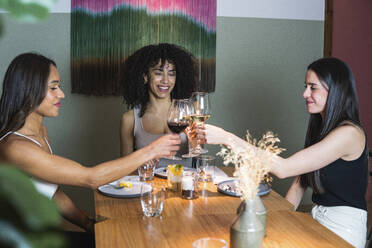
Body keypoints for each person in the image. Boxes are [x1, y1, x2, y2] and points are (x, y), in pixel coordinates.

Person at [0, 53, 180, 236]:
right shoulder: (16, 148)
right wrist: (152, 150)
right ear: (30, 90)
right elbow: (91, 178)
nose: (61, 94)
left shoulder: (40, 132)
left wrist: (88, 224)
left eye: (59, 87)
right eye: (53, 88)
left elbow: (51, 192)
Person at [198, 57, 368, 248]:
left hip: (343, 231)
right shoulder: (323, 128)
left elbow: (284, 168)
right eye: (305, 86)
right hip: (316, 220)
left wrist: (225, 137)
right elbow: (299, 184)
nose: (305, 94)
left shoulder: (349, 134)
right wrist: (276, 222)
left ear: (336, 90)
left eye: (313, 87)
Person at [120, 43, 197, 166]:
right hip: (148, 184)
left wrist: (196, 142)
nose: (166, 80)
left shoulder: (190, 111)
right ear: (145, 76)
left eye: (171, 73)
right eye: (158, 73)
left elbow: (198, 158)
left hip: (185, 184)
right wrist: (140, 163)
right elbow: (123, 169)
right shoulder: (129, 119)